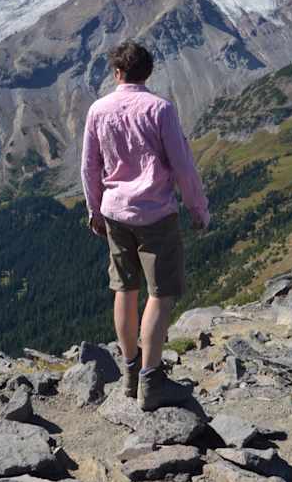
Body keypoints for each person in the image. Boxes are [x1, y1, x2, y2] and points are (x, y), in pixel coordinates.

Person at [80, 40, 211, 410]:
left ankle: (130, 372)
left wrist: (94, 209)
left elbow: (90, 165)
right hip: (156, 213)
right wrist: (197, 208)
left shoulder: (98, 109)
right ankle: (153, 381)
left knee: (124, 289)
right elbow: (183, 165)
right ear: (148, 72)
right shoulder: (160, 109)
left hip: (114, 211)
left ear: (117, 73)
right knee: (160, 294)